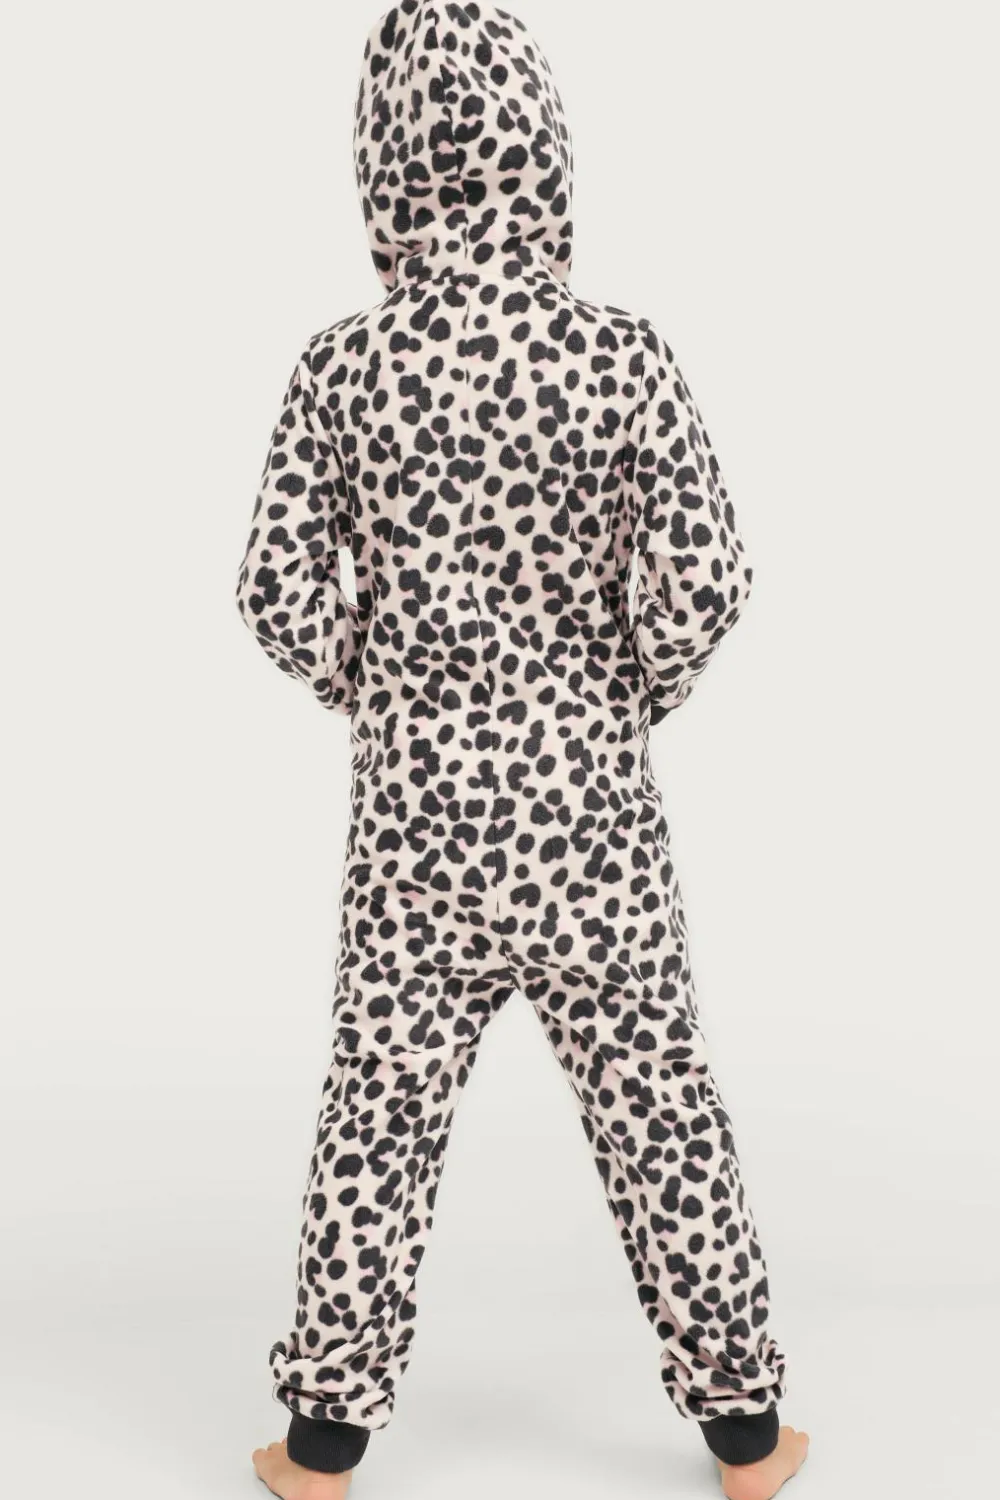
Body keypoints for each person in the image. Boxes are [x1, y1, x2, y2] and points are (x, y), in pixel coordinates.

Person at [235, 3, 809, 1496]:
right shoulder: (622, 357)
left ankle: (322, 1443)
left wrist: (382, 687)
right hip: (593, 821)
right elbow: (708, 580)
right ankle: (747, 1437)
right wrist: (619, 698)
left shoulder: (342, 368)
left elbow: (276, 593)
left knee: (377, 1111)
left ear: (380, 167)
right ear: (548, 154)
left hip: (416, 826)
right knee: (660, 1105)